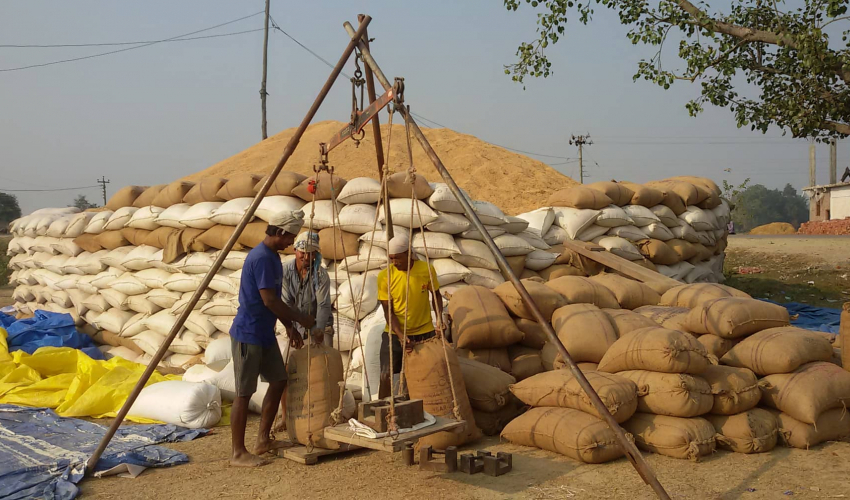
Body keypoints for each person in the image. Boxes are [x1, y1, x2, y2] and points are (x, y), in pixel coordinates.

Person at [229, 210, 315, 468]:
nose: (291, 242)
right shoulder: (262, 258)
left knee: (278, 381)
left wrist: (289, 326)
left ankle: (263, 440)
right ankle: (237, 452)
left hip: (265, 333)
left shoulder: (274, 258)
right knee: (244, 393)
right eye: (289, 237)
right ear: (279, 232)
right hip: (249, 333)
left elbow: (274, 302)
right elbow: (268, 300)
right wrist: (300, 318)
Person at [376, 235, 444, 398]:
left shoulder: (426, 269)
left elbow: (436, 296)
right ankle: (380, 411)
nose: (394, 262)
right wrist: (401, 335)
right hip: (395, 333)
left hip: (424, 333)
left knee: (425, 375)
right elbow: (388, 312)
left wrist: (440, 319)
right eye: (391, 259)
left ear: (408, 254)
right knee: (386, 375)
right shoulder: (385, 277)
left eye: (397, 258)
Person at [280, 231, 333, 346]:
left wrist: (319, 330)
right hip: (297, 325)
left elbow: (323, 305)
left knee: (324, 360)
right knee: (294, 361)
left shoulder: (321, 274)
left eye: (311, 253)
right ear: (295, 250)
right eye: (303, 253)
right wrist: (293, 327)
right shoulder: (284, 272)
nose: (307, 257)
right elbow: (286, 303)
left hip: (320, 324)